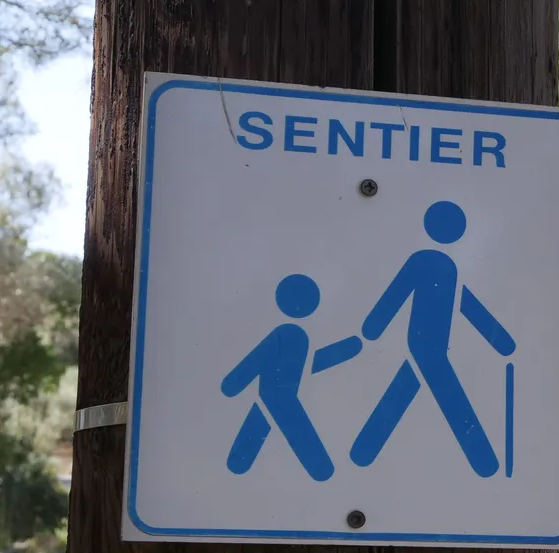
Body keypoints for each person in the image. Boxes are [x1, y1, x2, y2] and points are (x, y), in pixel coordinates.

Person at [351, 200, 515, 476]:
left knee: (406, 390)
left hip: (429, 345)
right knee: (445, 394)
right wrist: (373, 327)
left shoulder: (446, 266)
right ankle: (485, 462)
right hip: (425, 345)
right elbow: (399, 293)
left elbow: (465, 303)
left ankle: (361, 453)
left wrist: (500, 340)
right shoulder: (432, 262)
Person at [220, 273, 360, 482]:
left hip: (275, 396)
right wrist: (231, 385)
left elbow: (305, 364)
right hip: (279, 397)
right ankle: (322, 472)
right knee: (300, 439)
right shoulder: (290, 334)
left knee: (255, 440)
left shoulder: (292, 335)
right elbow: (257, 362)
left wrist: (345, 349)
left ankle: (238, 467)